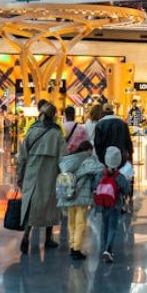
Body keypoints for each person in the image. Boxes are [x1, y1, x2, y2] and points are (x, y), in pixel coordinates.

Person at [18, 100, 67, 255]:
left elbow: (22, 157)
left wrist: (20, 176)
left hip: (32, 173)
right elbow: (63, 158)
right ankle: (48, 238)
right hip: (51, 174)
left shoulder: (31, 131)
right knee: (50, 204)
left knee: (31, 204)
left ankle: (26, 235)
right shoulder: (57, 134)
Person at [58, 140, 103, 261]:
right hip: (81, 196)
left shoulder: (69, 160)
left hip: (69, 195)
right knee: (80, 224)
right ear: (88, 150)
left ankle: (73, 246)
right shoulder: (87, 160)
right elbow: (100, 168)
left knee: (71, 223)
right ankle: (76, 250)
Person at [98, 146, 131, 263]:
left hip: (102, 204)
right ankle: (108, 249)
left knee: (105, 226)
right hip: (115, 204)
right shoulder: (119, 176)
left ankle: (104, 248)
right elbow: (126, 190)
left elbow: (94, 186)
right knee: (112, 226)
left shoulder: (100, 174)